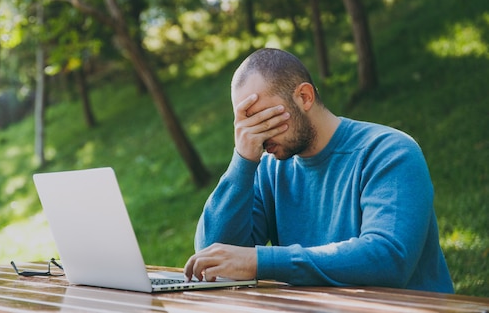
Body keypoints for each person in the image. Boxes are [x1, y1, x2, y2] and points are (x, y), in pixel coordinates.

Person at [183, 48, 454, 293]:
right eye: (245, 123)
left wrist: (261, 261)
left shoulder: (389, 152)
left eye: (263, 119)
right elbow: (213, 257)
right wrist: (242, 162)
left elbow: (389, 258)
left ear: (304, 97)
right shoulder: (268, 169)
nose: (257, 136)